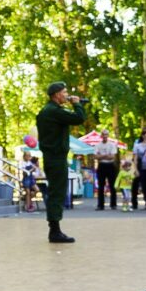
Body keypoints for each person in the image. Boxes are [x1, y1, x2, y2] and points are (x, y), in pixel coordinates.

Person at [36, 81, 86, 243]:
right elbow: (79, 118)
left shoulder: (47, 111)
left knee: (56, 192)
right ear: (56, 95)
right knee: (57, 194)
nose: (67, 95)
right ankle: (55, 231)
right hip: (56, 158)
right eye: (64, 92)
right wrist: (77, 105)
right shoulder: (54, 111)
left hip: (52, 157)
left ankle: (55, 229)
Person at [94, 129, 118, 210]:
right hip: (101, 166)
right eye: (103, 134)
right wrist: (106, 156)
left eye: (106, 134)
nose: (105, 136)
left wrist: (101, 156)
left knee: (112, 186)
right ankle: (100, 205)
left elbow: (112, 157)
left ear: (108, 135)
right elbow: (95, 156)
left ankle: (113, 204)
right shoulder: (98, 145)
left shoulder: (112, 145)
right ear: (101, 135)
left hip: (110, 166)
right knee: (101, 186)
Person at [131, 128, 146, 210]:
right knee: (135, 184)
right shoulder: (137, 145)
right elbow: (135, 158)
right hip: (140, 165)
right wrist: (135, 169)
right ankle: (134, 203)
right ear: (143, 135)